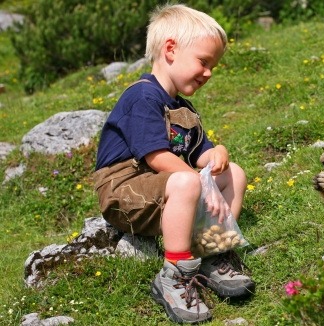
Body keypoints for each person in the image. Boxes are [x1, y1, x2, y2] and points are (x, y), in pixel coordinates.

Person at [92, 2, 254, 323]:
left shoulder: (184, 110)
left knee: (233, 174)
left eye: (213, 67)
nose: (208, 73)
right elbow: (156, 157)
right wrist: (199, 186)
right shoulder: (142, 96)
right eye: (203, 62)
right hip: (123, 189)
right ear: (170, 50)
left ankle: (212, 252)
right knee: (187, 180)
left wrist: (217, 153)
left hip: (161, 185)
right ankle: (175, 275)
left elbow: (199, 154)